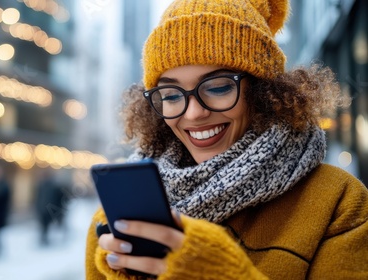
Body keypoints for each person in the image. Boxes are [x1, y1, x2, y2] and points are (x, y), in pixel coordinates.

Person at [85, 0, 368, 279]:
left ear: (264, 91)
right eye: (171, 95)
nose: (194, 114)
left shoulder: (339, 202)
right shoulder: (116, 222)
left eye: (218, 88)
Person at [34, 169, 69, 246]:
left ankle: (54, 239)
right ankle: (44, 239)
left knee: (54, 225)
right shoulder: (41, 185)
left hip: (51, 209)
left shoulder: (55, 186)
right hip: (43, 209)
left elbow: (60, 198)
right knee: (44, 226)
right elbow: (39, 197)